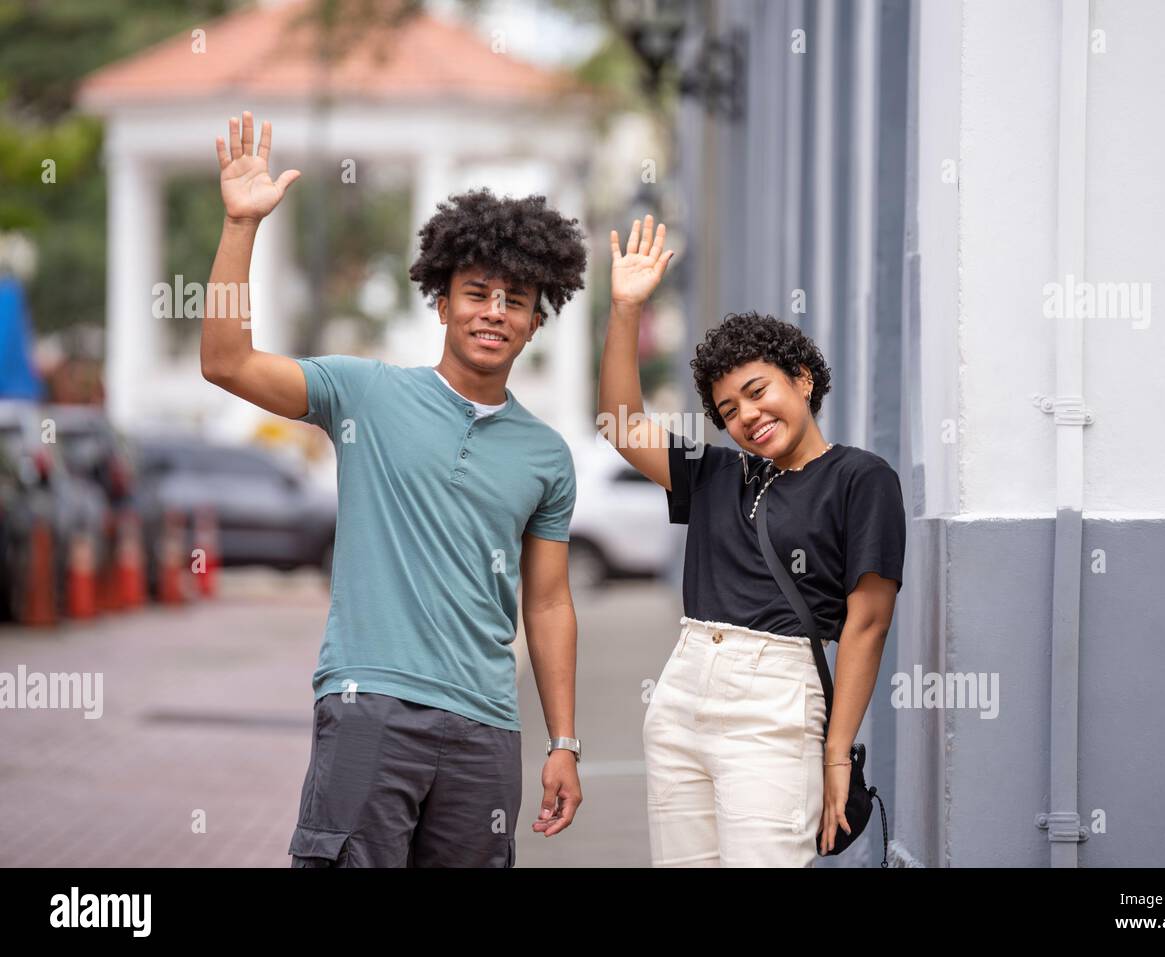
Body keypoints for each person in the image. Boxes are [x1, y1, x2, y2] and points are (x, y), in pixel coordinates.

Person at [200, 111, 588, 867]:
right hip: (368, 704)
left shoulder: (547, 455)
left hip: (487, 727)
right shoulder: (363, 393)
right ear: (441, 299)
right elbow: (226, 361)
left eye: (516, 300)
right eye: (477, 292)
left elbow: (546, 603)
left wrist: (565, 740)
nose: (495, 312)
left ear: (536, 322)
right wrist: (241, 225)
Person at [597, 215, 905, 866]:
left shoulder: (860, 477)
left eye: (756, 391)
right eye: (728, 410)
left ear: (802, 377)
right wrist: (625, 308)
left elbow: (868, 622)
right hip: (682, 693)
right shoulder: (715, 473)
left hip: (775, 704)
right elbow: (620, 424)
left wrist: (835, 751)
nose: (746, 416)